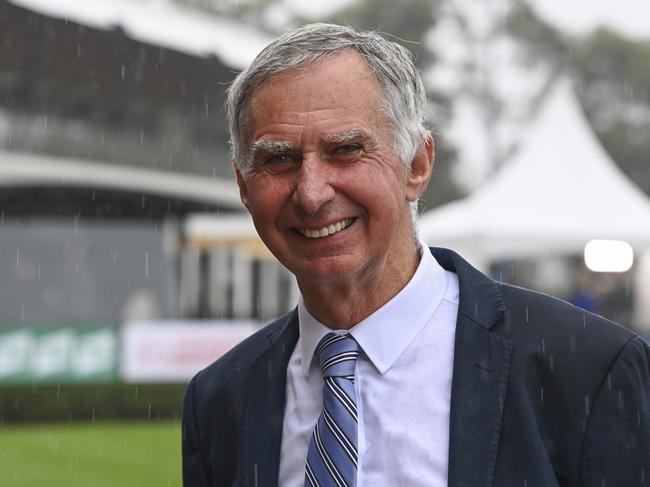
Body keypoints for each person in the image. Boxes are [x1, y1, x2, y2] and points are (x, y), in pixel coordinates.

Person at [182, 23, 650, 486]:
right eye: (279, 159)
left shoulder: (589, 372)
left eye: (346, 150)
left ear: (418, 165)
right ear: (244, 185)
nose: (310, 193)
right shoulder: (220, 401)